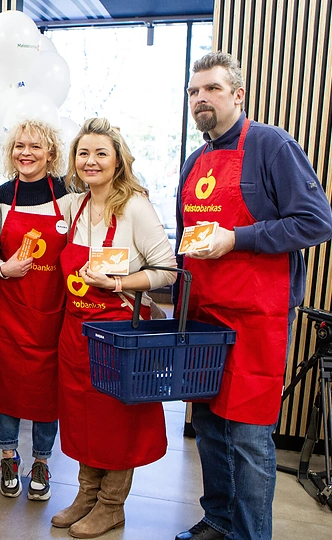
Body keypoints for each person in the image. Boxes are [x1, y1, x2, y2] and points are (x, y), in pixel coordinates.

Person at [174, 52, 332, 540]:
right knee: (209, 426)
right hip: (204, 313)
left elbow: (316, 221)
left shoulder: (271, 145)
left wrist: (236, 238)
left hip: (256, 316)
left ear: (237, 94)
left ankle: (249, 534)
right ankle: (219, 520)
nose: (202, 98)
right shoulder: (195, 159)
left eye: (213, 89)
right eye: (194, 91)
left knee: (246, 434)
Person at [51, 118, 176, 538]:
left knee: (117, 423)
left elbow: (167, 271)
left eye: (101, 153)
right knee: (83, 418)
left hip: (119, 335)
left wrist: (119, 283)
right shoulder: (76, 205)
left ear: (118, 160)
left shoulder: (135, 207)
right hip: (76, 335)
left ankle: (111, 506)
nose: (91, 161)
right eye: (83, 153)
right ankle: (87, 495)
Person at [0, 119, 70, 502]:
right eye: (19, 146)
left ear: (50, 153)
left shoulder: (69, 195)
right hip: (9, 310)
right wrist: (3, 268)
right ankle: (8, 456)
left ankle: (43, 461)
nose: (26, 153)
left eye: (35, 146)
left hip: (53, 310)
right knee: (7, 388)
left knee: (47, 393)